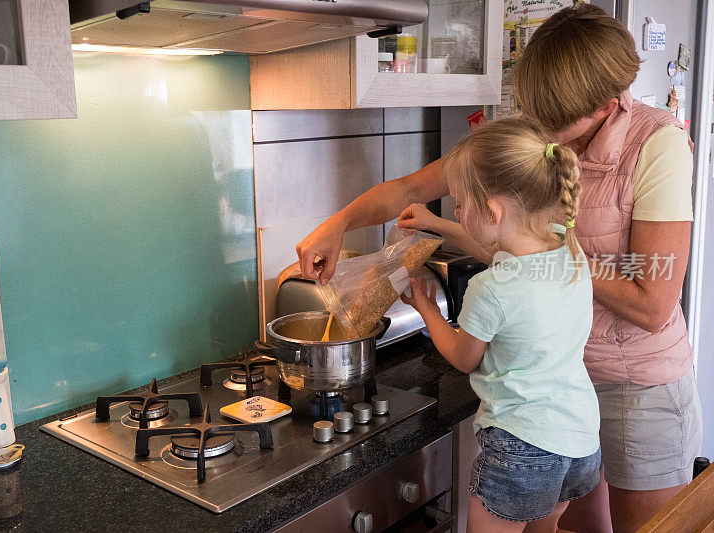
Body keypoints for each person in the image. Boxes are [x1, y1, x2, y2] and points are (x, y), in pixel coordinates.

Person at [296, 5, 702, 532]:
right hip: (561, 377)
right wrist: (338, 223)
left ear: (606, 105)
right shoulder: (539, 137)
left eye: (558, 121)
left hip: (635, 385)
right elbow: (413, 189)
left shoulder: (656, 146)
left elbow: (653, 304)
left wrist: (549, 262)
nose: (544, 132)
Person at [400, 117, 600, 532]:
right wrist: (433, 223)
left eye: (458, 204)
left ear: (492, 210)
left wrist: (428, 310)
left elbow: (463, 357)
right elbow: (501, 251)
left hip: (523, 446)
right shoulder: (569, 254)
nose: (455, 211)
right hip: (580, 440)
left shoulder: (488, 288)